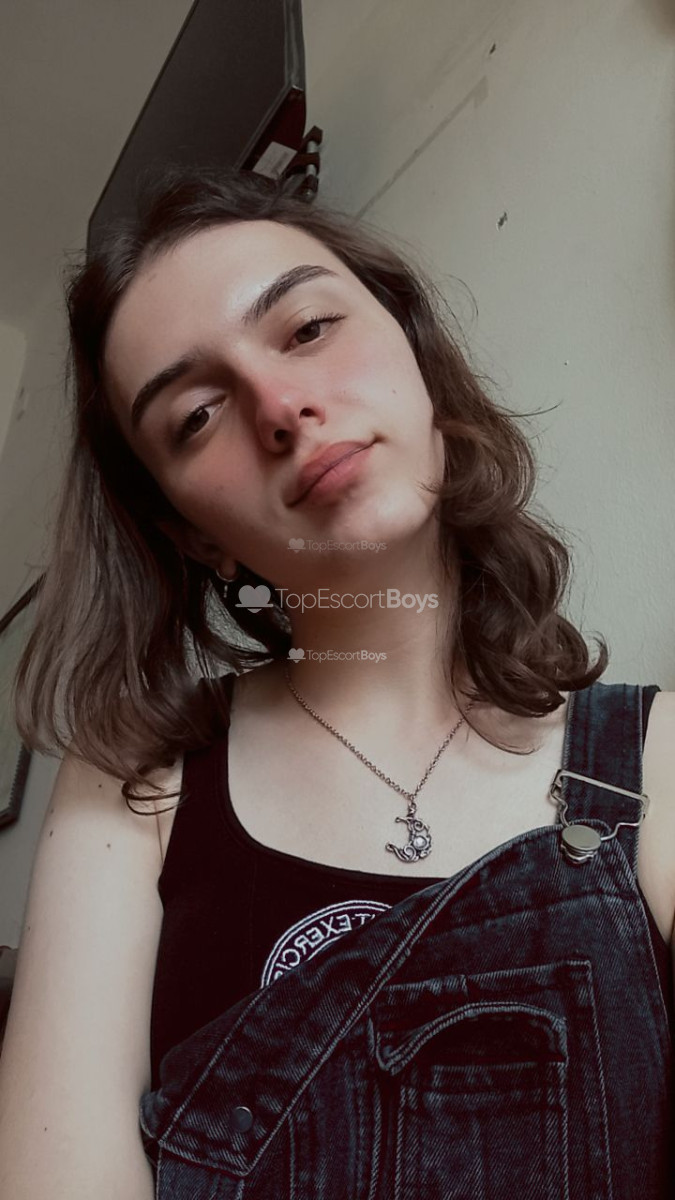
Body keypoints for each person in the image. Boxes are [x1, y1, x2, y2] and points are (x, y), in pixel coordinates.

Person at [0, 165, 673, 1198]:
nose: (281, 407)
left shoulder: (656, 760)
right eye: (196, 415)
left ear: (418, 359)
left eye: (308, 329)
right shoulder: (135, 789)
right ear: (194, 535)